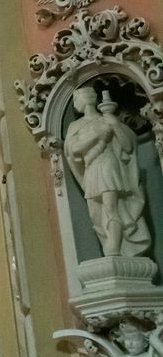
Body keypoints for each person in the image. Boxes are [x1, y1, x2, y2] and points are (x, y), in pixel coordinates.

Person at [64, 85, 151, 256]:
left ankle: (114, 248)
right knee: (95, 214)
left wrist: (115, 125)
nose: (77, 104)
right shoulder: (76, 125)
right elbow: (74, 150)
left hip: (108, 164)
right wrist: (98, 135)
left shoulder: (108, 120)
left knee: (111, 208)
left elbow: (127, 147)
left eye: (78, 99)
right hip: (91, 168)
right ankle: (111, 245)